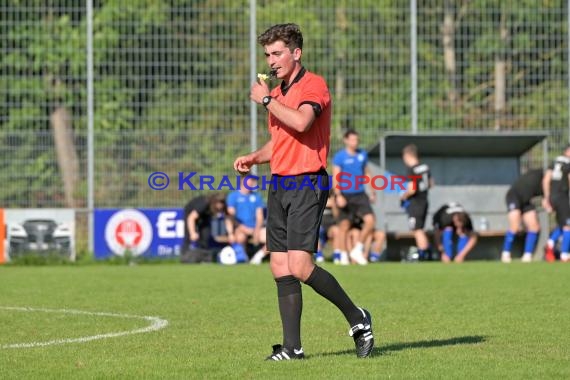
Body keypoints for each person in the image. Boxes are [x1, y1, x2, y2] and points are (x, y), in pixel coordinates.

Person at [233, 23, 374, 360]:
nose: (271, 60)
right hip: (280, 183)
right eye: (267, 54)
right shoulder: (279, 93)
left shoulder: (314, 85)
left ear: (296, 53)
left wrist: (265, 99)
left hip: (308, 182)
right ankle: (292, 348)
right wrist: (254, 158)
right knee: (279, 267)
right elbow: (282, 141)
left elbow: (302, 123)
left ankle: (359, 318)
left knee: (299, 265)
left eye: (277, 53)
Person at [332, 129, 376, 265]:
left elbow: (367, 173)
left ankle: (358, 249)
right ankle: (344, 255)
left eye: (356, 139)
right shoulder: (340, 157)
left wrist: (372, 191)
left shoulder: (362, 154)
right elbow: (336, 177)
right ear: (346, 140)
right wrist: (338, 195)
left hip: (360, 194)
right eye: (352, 139)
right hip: (345, 195)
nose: (355, 142)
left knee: (370, 221)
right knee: (344, 226)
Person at [501, 169, 544, 263]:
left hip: (526, 200)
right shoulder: (543, 173)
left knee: (534, 227)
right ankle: (506, 253)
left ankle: (527, 255)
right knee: (515, 226)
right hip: (514, 196)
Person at [400, 144, 433, 260]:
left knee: (416, 230)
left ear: (407, 155)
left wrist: (403, 197)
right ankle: (427, 253)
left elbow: (412, 189)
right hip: (424, 200)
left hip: (415, 203)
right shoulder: (425, 167)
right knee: (420, 229)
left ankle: (424, 255)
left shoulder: (411, 169)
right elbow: (431, 184)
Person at [225, 175, 267, 264]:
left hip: (255, 228)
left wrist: (256, 230)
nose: (252, 183)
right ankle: (243, 258)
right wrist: (242, 228)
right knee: (240, 237)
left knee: (274, 238)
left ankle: (257, 257)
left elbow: (260, 216)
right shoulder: (233, 196)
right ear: (242, 181)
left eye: (253, 181)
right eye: (250, 180)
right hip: (240, 228)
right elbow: (230, 216)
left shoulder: (257, 196)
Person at [182, 193, 232, 263]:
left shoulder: (223, 206)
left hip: (204, 216)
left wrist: (230, 234)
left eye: (222, 203)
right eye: (218, 203)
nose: (220, 206)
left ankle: (204, 258)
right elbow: (191, 218)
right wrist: (192, 232)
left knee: (206, 235)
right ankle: (185, 258)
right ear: (214, 202)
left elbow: (227, 219)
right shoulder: (204, 204)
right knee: (189, 236)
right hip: (191, 214)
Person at [542, 146, 570, 262]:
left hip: (553, 197)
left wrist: (546, 198)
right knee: (568, 226)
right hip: (562, 196)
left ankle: (550, 244)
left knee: (562, 223)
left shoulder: (554, 161)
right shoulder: (568, 163)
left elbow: (546, 180)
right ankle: (564, 255)